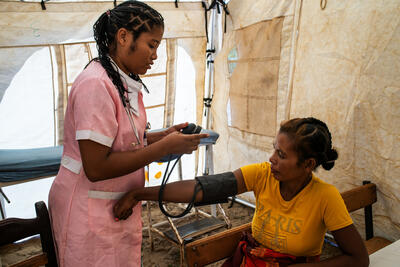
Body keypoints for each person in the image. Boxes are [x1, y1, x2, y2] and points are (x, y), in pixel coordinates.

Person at [48, 1, 207, 267]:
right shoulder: (96, 85)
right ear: (123, 37)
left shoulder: (119, 81)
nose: (155, 55)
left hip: (109, 206)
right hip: (86, 210)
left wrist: (161, 137)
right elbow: (96, 167)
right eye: (152, 44)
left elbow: (124, 140)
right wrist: (164, 148)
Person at [114, 117, 370, 267]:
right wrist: (140, 193)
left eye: (281, 155)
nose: (272, 159)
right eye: (273, 150)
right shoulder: (262, 175)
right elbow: (203, 188)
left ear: (308, 164)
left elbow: (358, 259)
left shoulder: (326, 197)